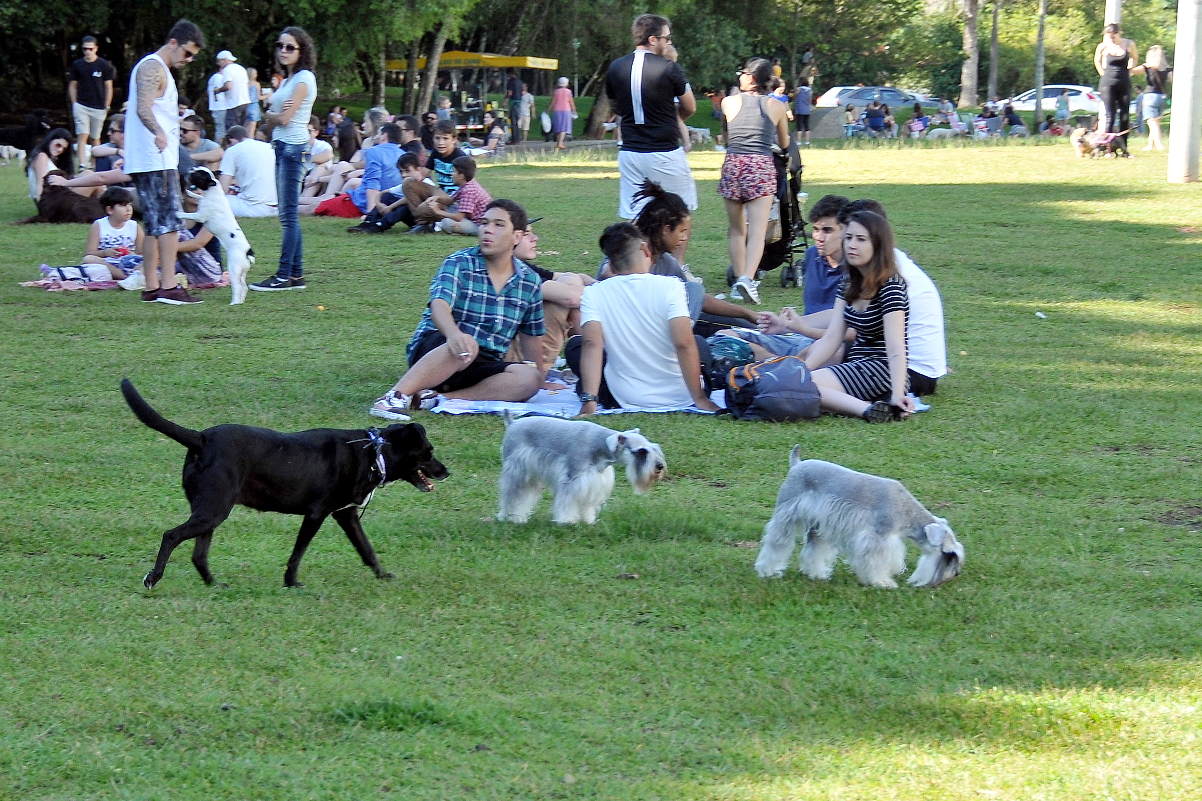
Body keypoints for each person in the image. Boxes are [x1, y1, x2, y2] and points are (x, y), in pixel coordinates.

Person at [369, 200, 546, 419]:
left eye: (499, 225)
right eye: (484, 223)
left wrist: (540, 377)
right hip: (439, 347)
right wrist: (454, 335)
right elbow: (439, 305)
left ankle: (442, 398)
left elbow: (531, 337)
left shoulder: (529, 281)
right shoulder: (460, 263)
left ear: (517, 236)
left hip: (483, 360)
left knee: (529, 378)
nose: (487, 230)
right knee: (466, 345)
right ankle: (394, 397)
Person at [570, 222, 719, 414]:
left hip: (623, 396)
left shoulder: (594, 293)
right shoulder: (672, 286)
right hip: (683, 394)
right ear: (645, 249)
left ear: (611, 264)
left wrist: (590, 401)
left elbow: (592, 345)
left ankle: (589, 389)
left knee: (576, 346)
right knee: (698, 342)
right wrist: (699, 398)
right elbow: (684, 343)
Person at [124, 19, 206, 305]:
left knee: (155, 224)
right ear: (173, 43)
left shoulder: (158, 70)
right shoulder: (152, 67)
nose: (189, 59)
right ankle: (169, 286)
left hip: (153, 158)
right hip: (154, 159)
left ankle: (151, 286)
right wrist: (159, 133)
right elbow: (142, 107)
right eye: (187, 52)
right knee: (169, 222)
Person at [803, 210, 912, 422]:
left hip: (883, 371)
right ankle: (866, 406)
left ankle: (868, 410)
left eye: (861, 240)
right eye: (849, 238)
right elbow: (833, 337)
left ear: (878, 245)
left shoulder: (891, 287)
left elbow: (896, 347)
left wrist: (898, 393)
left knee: (808, 384)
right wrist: (802, 369)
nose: (852, 245)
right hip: (856, 365)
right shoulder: (848, 282)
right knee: (799, 384)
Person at [606, 13, 698, 219]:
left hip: (630, 151)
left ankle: (637, 252)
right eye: (667, 37)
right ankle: (673, 254)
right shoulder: (668, 67)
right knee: (679, 214)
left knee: (637, 216)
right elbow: (690, 106)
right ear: (652, 39)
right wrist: (673, 120)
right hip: (664, 151)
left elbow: (615, 105)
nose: (669, 42)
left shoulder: (615, 67)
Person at [719, 57, 790, 306]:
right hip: (760, 166)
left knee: (737, 229)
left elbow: (727, 136)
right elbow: (784, 143)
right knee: (758, 232)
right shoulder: (776, 105)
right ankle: (748, 279)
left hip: (733, 164)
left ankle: (739, 280)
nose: (739, 77)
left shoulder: (728, 102)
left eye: (742, 73)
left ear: (750, 77)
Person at [251, 26, 316, 292]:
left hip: (292, 148)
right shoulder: (289, 80)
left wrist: (269, 113)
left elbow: (284, 118)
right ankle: (295, 275)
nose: (283, 51)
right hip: (284, 146)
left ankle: (283, 275)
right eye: (280, 46)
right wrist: (273, 112)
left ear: (302, 51)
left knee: (288, 216)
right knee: (288, 215)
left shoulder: (303, 79)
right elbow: (278, 113)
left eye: (290, 47)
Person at [400, 118, 467, 231]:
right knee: (408, 183)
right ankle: (423, 222)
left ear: (454, 139)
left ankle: (425, 221)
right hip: (440, 193)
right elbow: (423, 174)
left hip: (454, 199)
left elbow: (468, 186)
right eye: (437, 138)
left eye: (445, 138)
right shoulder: (435, 153)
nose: (441, 143)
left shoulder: (460, 157)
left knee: (422, 209)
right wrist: (416, 175)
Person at [67, 36, 115, 169]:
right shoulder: (77, 65)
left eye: (90, 49)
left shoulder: (103, 65)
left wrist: (107, 105)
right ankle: (82, 164)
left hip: (99, 107)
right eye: (85, 49)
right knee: (82, 134)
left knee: (95, 137)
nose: (88, 51)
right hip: (81, 105)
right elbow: (72, 85)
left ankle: (95, 165)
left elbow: (108, 86)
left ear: (96, 49)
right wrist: (74, 103)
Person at [1094, 23, 1141, 157]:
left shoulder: (1129, 44)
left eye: (1113, 36)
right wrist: (1102, 73)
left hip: (1124, 82)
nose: (1111, 39)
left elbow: (1135, 57)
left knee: (1124, 115)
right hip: (1108, 83)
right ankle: (1107, 148)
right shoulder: (1103, 46)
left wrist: (1131, 68)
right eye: (1109, 36)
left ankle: (1124, 149)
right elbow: (1097, 60)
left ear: (1119, 33)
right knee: (1110, 115)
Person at [82, 187, 144, 279]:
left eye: (130, 205)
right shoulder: (99, 225)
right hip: (107, 263)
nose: (128, 209)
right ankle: (125, 277)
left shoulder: (134, 226)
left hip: (129, 262)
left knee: (150, 261)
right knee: (88, 259)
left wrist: (131, 255)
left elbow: (142, 253)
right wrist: (105, 253)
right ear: (110, 210)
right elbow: (89, 253)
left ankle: (130, 275)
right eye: (123, 205)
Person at [217, 125, 277, 217]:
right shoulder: (268, 146)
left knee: (212, 201)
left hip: (252, 208)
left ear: (230, 140)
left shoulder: (232, 150)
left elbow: (222, 190)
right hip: (277, 207)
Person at [432, 157, 492, 235]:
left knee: (447, 223)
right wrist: (437, 199)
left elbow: (458, 217)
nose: (451, 174)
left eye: (453, 171)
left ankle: (459, 230)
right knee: (451, 207)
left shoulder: (468, 190)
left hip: (479, 225)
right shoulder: (466, 184)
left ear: (461, 176)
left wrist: (438, 211)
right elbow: (451, 200)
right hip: (470, 218)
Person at [27, 128, 76, 201]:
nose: (60, 150)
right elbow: (41, 183)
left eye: (64, 149)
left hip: (59, 196)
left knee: (88, 175)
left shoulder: (51, 159)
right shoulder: (41, 156)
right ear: (50, 140)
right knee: (91, 180)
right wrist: (42, 207)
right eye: (58, 145)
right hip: (52, 200)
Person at [1141, 45, 1171, 152]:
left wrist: (1130, 65)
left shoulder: (1148, 67)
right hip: (1162, 97)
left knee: (1152, 122)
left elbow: (1133, 71)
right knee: (1156, 123)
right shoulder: (1167, 69)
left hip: (1150, 96)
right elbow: (1173, 81)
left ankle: (1160, 146)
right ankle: (1150, 145)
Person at [214, 51, 250, 132]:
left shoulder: (227, 70)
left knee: (232, 130)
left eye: (219, 61)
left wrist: (218, 90)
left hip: (234, 104)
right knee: (242, 129)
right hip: (245, 102)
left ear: (225, 60)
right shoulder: (241, 68)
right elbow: (247, 85)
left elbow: (228, 86)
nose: (218, 64)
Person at [550, 77, 576, 150]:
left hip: (557, 110)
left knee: (558, 126)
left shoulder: (556, 91)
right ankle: (560, 143)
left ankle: (558, 142)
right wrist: (574, 110)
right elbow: (571, 102)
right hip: (566, 110)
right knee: (564, 127)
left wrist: (548, 110)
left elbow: (553, 102)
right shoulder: (568, 92)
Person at [206, 66, 229, 143]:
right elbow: (220, 92)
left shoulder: (213, 78)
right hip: (221, 106)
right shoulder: (219, 78)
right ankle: (218, 147)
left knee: (220, 129)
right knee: (221, 130)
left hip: (215, 106)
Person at [244, 67, 263, 139]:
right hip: (254, 106)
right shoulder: (256, 84)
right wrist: (268, 95)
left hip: (246, 106)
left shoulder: (245, 84)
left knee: (246, 128)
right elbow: (259, 97)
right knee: (252, 129)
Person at [793, 77, 812, 145]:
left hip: (799, 109)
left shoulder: (798, 89)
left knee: (799, 126)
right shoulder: (809, 90)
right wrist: (810, 106)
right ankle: (807, 141)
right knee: (807, 126)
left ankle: (798, 141)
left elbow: (794, 97)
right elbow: (809, 99)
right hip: (807, 109)